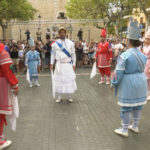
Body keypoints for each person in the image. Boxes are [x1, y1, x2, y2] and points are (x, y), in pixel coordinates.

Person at [111, 18, 147, 137]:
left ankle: (124, 129)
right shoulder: (143, 55)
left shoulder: (124, 55)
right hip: (141, 80)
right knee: (137, 105)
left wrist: (114, 83)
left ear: (128, 41)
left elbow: (119, 72)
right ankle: (135, 126)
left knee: (126, 106)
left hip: (129, 82)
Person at [50, 27, 77, 103]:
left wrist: (74, 63)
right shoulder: (55, 44)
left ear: (65, 33)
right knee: (59, 80)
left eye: (63, 32)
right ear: (59, 34)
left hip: (68, 64)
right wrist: (51, 63)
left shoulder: (70, 43)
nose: (62, 34)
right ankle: (59, 96)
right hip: (59, 64)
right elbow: (53, 55)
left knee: (68, 80)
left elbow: (73, 54)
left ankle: (69, 95)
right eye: (61, 32)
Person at [0, 43, 19, 149]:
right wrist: (15, 85)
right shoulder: (2, 52)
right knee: (0, 113)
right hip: (1, 84)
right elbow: (8, 69)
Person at [143, 26, 150, 100]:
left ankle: (149, 93)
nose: (145, 40)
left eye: (146, 39)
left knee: (149, 79)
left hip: (149, 63)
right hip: (145, 63)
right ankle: (146, 93)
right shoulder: (145, 47)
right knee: (145, 79)